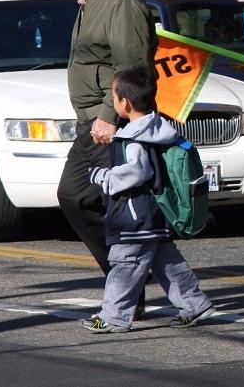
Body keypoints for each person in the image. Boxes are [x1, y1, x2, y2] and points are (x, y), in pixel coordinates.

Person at [56, 0, 158, 306]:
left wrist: (108, 117)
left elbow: (131, 67)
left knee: (93, 200)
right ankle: (131, 272)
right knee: (75, 197)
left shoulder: (121, 1)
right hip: (93, 123)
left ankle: (130, 281)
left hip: (112, 125)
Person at [82, 66, 214, 333]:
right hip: (158, 211)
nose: (114, 102)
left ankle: (114, 316)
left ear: (125, 103)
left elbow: (138, 171)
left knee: (124, 265)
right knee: (167, 262)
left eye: (114, 97)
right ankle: (194, 303)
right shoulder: (159, 129)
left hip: (134, 216)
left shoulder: (132, 138)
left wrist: (104, 177)